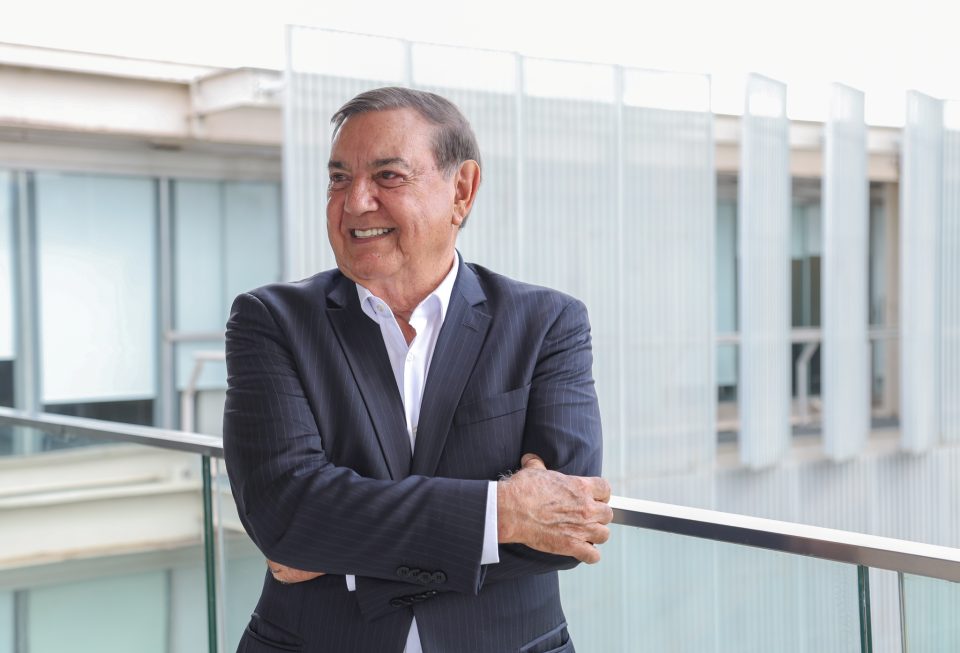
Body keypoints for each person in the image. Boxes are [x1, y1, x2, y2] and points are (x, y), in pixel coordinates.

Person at [223, 87, 612, 653]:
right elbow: (286, 515)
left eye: (388, 176)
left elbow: (565, 529)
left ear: (462, 190)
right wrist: (504, 511)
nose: (355, 202)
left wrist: (342, 547)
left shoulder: (547, 323)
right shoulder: (272, 321)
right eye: (339, 178)